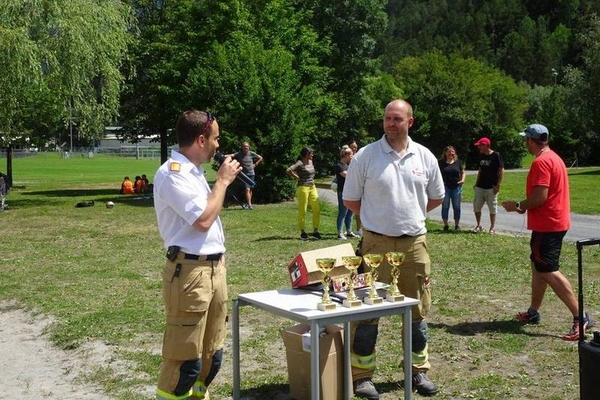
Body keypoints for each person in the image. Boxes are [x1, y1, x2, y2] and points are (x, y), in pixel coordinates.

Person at [343, 99, 445, 398]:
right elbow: (351, 200)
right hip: (375, 243)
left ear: (410, 122)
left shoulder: (424, 156)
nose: (391, 123)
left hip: (414, 244)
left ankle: (417, 372)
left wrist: (409, 215)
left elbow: (436, 197)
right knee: (367, 309)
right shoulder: (366, 156)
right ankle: (362, 376)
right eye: (387, 118)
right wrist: (378, 220)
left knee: (417, 311)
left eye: (397, 119)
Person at [153, 109, 242, 400]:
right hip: (189, 274)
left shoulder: (195, 174)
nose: (219, 145)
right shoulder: (172, 175)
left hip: (213, 270)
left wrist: (219, 257)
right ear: (201, 139)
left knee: (210, 355)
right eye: (215, 138)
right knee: (184, 362)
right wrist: (223, 182)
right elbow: (203, 220)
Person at [501, 124, 592, 341]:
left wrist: (517, 205)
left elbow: (539, 197)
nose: (526, 143)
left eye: (526, 139)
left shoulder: (541, 162)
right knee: (538, 266)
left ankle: (581, 316)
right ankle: (533, 312)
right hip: (553, 223)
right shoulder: (554, 157)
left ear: (531, 141)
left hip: (548, 224)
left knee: (548, 269)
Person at [286, 147, 322, 240]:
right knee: (303, 210)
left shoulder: (311, 162)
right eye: (311, 153)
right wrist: (296, 177)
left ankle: (315, 231)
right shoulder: (300, 163)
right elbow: (288, 170)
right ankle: (302, 232)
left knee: (316, 209)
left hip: (312, 186)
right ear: (307, 154)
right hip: (303, 188)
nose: (313, 155)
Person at [473, 137, 504, 234]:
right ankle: (478, 225)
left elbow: (501, 170)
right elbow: (480, 170)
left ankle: (492, 228)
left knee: (492, 208)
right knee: (476, 207)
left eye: (480, 146)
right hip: (480, 186)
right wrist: (476, 183)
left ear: (486, 145)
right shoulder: (481, 155)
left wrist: (498, 185)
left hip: (491, 187)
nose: (479, 148)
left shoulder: (496, 155)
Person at [438, 145, 466, 231]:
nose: (451, 153)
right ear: (445, 153)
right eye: (449, 151)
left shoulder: (458, 162)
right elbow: (436, 173)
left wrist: (462, 180)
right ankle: (446, 225)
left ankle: (457, 225)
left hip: (456, 187)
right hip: (445, 187)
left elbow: (463, 172)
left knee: (457, 206)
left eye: (453, 151)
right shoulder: (441, 162)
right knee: (445, 206)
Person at [230, 142, 263, 210]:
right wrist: (224, 156)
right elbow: (232, 155)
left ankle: (249, 204)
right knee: (247, 189)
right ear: (242, 147)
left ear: (249, 147)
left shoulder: (251, 153)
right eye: (244, 147)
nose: (246, 148)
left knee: (250, 189)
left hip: (251, 174)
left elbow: (260, 157)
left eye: (247, 147)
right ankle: (249, 205)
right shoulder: (239, 154)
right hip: (244, 175)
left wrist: (255, 164)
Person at [335, 145, 358, 240]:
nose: (352, 156)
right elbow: (349, 176)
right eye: (351, 155)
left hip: (350, 191)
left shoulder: (348, 165)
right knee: (342, 212)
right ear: (346, 155)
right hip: (342, 191)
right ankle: (339, 233)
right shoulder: (339, 166)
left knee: (350, 213)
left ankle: (349, 231)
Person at [347, 139, 362, 235]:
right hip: (347, 186)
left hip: (357, 185)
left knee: (358, 210)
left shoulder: (358, 157)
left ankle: (358, 229)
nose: (354, 149)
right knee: (347, 211)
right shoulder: (346, 158)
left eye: (355, 148)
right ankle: (348, 229)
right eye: (352, 147)